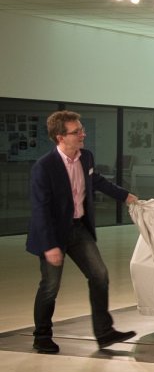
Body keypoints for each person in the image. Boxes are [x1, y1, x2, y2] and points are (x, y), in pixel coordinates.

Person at [26, 110, 139, 354]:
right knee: (50, 287)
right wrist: (49, 246)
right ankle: (41, 336)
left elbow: (96, 181)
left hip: (78, 229)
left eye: (81, 130)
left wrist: (125, 196)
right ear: (60, 137)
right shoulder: (44, 167)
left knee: (99, 275)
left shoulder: (85, 157)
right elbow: (40, 209)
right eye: (76, 132)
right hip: (53, 235)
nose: (82, 134)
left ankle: (104, 333)